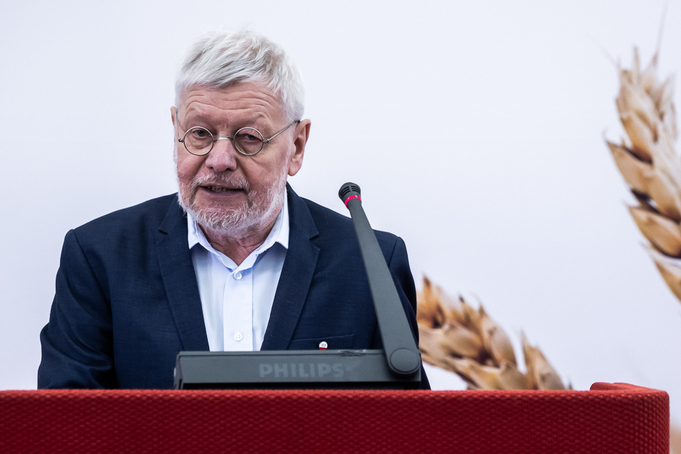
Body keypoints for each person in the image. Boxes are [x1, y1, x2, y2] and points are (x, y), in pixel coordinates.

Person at [38, 31, 424, 389]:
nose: (219, 160)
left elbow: (411, 427)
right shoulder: (99, 258)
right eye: (200, 134)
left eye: (248, 138)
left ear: (297, 146)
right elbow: (65, 426)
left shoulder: (371, 262)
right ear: (176, 129)